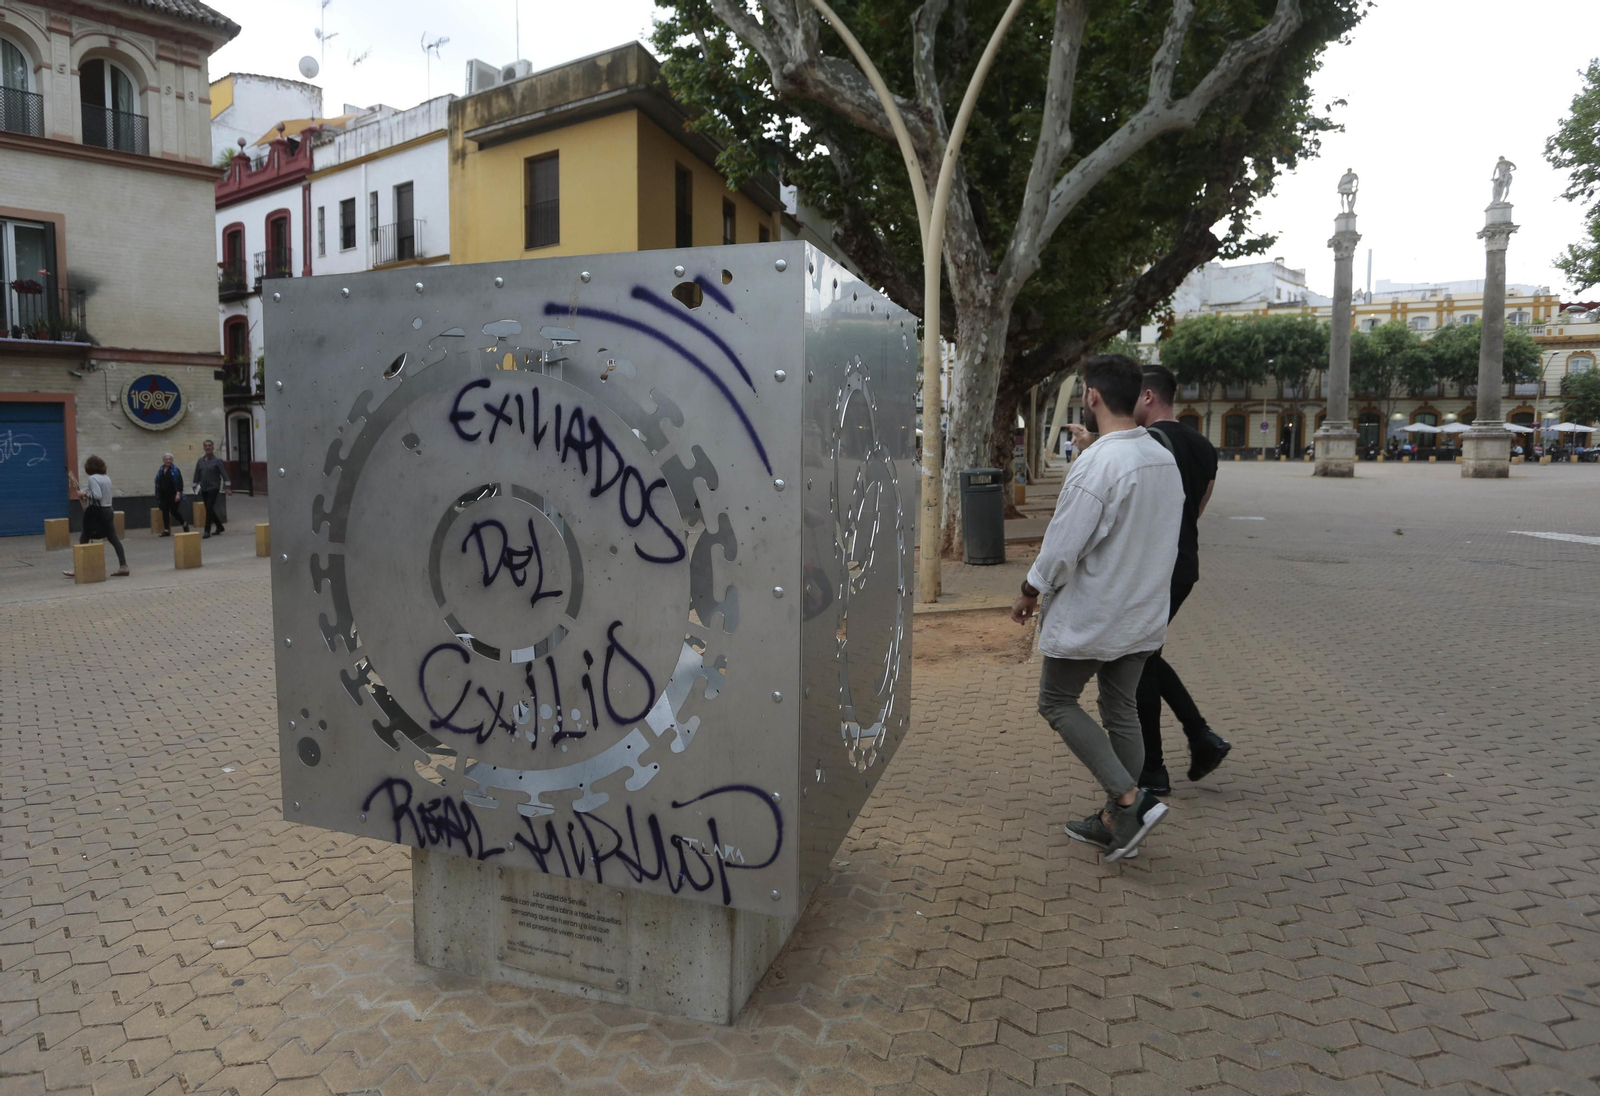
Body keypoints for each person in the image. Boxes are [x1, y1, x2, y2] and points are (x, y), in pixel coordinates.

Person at [1012, 354, 1183, 860]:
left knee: (1057, 701)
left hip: (1097, 611)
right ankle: (1116, 821)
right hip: (1142, 610)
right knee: (1121, 709)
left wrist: (1029, 588)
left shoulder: (1101, 462)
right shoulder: (1160, 456)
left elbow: (1063, 546)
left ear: (1092, 397)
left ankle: (1131, 802)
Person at [1129, 366, 1232, 795]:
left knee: (1138, 664)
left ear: (1149, 396)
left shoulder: (1145, 445)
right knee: (1145, 657)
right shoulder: (1205, 447)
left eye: (1132, 396)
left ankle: (1155, 767)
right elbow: (1196, 512)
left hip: (1151, 569)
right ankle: (1199, 738)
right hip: (1183, 567)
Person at [64, 455, 129, 578]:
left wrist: (84, 494)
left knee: (84, 538)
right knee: (113, 539)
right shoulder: (106, 478)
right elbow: (98, 492)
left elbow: (97, 495)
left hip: (97, 512)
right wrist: (85, 491)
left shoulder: (93, 478)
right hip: (108, 509)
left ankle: (79, 567)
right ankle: (123, 565)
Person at [192, 439, 231, 538]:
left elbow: (224, 474)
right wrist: (195, 484)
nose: (208, 447)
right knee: (209, 509)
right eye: (206, 446)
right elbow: (197, 473)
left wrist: (227, 486)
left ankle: (206, 531)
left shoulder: (217, 461)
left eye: (210, 445)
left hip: (214, 487)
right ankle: (219, 526)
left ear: (213, 447)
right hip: (203, 488)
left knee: (209, 508)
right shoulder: (200, 461)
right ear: (204, 448)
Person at [154, 452, 189, 536]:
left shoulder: (175, 470)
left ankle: (184, 523)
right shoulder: (161, 469)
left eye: (170, 459)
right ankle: (166, 530)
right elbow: (158, 481)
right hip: (163, 495)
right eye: (166, 459)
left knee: (173, 511)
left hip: (173, 494)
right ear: (163, 460)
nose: (168, 461)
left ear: (172, 460)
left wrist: (178, 494)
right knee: (165, 511)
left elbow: (179, 482)